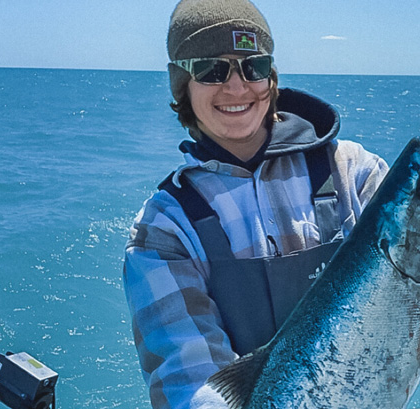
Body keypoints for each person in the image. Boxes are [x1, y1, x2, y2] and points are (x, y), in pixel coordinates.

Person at [123, 0, 389, 407]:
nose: (236, 86)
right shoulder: (165, 229)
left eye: (254, 66)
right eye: (212, 70)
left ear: (272, 76)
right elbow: (193, 387)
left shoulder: (354, 173)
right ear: (183, 87)